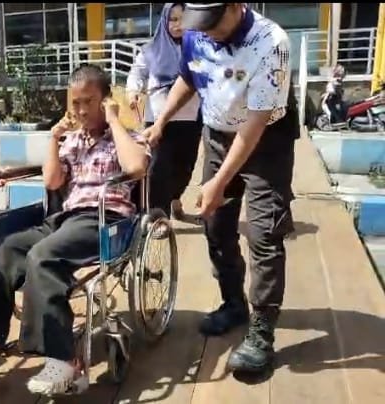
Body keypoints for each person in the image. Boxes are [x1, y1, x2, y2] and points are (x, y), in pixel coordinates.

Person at [0, 64, 151, 395]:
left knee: (43, 255)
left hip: (106, 219)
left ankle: (63, 360)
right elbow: (52, 181)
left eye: (89, 102)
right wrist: (53, 137)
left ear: (106, 100)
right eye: (75, 103)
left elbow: (136, 167)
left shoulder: (128, 137)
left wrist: (113, 120)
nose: (81, 110)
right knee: (5, 247)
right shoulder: (71, 141)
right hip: (66, 218)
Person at [145, 3, 299, 374]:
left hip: (266, 141)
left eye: (212, 22)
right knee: (215, 225)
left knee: (264, 234)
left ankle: (262, 331)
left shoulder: (271, 42)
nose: (205, 32)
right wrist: (161, 121)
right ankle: (233, 303)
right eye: (199, 24)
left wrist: (219, 182)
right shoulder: (197, 33)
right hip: (217, 134)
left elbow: (256, 123)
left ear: (234, 6)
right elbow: (189, 76)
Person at [126, 2, 202, 220]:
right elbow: (137, 73)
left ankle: (175, 199)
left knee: (185, 168)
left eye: (183, 20)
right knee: (158, 169)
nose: (178, 25)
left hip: (190, 119)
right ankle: (159, 217)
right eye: (173, 19)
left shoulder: (198, 49)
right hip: (157, 122)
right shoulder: (150, 50)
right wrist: (133, 91)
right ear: (164, 21)